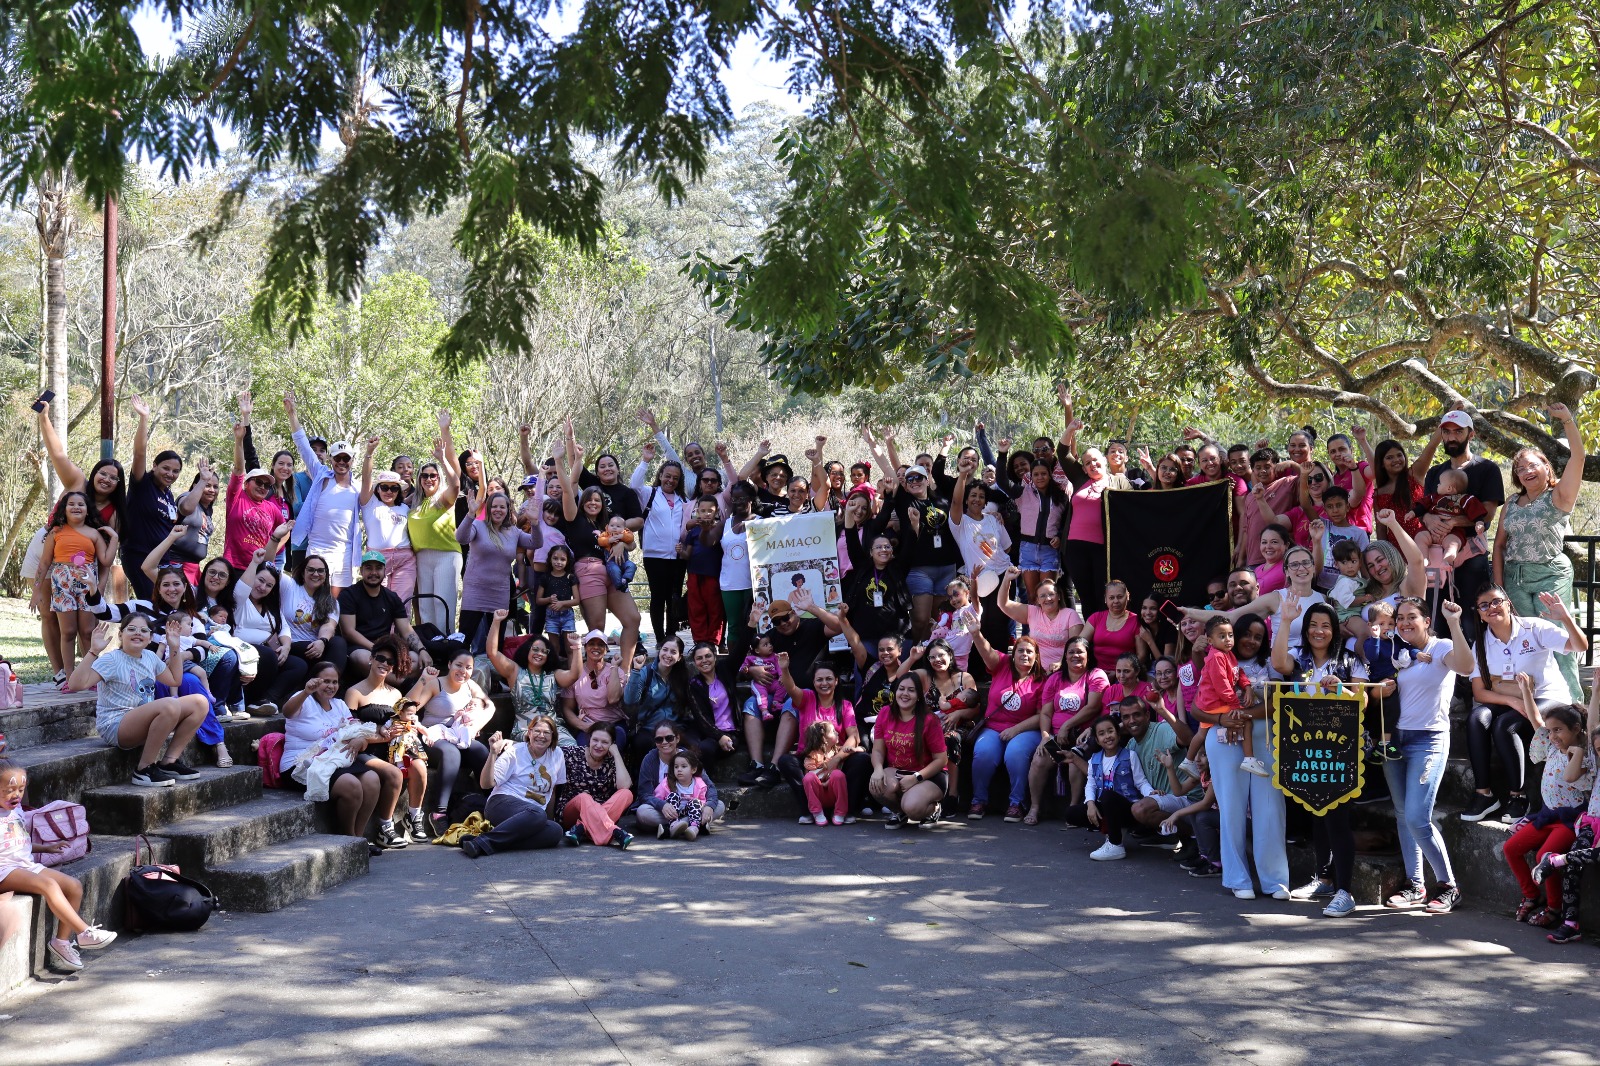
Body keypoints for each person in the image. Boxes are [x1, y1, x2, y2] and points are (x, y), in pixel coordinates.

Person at [1272, 596, 1369, 918]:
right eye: (1313, 625)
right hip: (1305, 747)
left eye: (1325, 625)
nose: (1318, 631)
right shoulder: (1297, 658)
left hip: (1341, 748)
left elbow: (1363, 701)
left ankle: (1346, 891)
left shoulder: (1349, 660)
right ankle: (1323, 878)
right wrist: (1286, 620)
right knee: (1317, 811)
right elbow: (1277, 664)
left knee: (1338, 818)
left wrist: (1339, 688)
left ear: (1335, 630)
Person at [1380, 596, 1474, 914]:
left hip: (1429, 741)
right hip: (1394, 741)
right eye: (1400, 618)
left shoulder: (1442, 646)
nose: (1404, 623)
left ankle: (1449, 886)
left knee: (1419, 817)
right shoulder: (1395, 651)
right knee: (1403, 815)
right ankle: (1415, 884)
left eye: (1411, 617)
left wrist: (1454, 622)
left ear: (1426, 621)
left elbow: (1467, 667)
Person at [1461, 586, 1588, 822]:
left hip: (1548, 696)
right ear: (1478, 613)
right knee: (1477, 719)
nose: (1492, 608)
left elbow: (1580, 646)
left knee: (1505, 725)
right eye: (1484, 605)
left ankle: (1518, 796)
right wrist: (1511, 699)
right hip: (1511, 698)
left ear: (1508, 603)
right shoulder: (1481, 642)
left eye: (1496, 601)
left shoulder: (1534, 627)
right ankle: (1484, 793)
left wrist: (1566, 618)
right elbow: (1479, 692)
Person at [1494, 402, 1586, 701]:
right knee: (1527, 644)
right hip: (1515, 578)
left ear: (1547, 468)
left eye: (1532, 465)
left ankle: (1574, 709)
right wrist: (1499, 587)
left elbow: (1579, 457)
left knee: (1559, 642)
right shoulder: (1511, 502)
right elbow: (1499, 545)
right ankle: (1538, 706)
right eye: (1520, 469)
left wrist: (1567, 421)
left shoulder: (1559, 496)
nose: (1526, 471)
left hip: (1549, 574)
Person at [0, 758, 117, 972]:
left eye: (20, 789)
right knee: (50, 885)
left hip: (24, 864)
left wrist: (46, 848)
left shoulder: (16, 811)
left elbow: (18, 843)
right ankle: (84, 932)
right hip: (4, 870)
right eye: (9, 790)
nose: (16, 795)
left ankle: (61, 943)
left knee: (74, 886)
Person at [68, 614, 211, 788]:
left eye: (144, 630)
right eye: (132, 629)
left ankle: (169, 762)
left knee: (200, 702)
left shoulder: (150, 657)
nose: (138, 633)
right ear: (121, 635)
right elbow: (75, 684)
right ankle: (144, 769)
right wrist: (93, 651)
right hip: (116, 725)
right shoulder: (112, 659)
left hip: (143, 721)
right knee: (170, 704)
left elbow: (175, 680)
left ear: (150, 637)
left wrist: (175, 646)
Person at [281, 662, 405, 853]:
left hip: (334, 760)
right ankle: (348, 840)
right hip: (300, 763)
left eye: (335, 682)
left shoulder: (339, 704)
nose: (331, 686)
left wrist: (360, 739)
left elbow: (356, 730)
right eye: (325, 681)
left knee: (372, 779)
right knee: (351, 785)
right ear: (314, 681)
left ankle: (359, 837)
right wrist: (306, 691)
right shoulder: (302, 700)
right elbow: (287, 712)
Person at [1499, 689, 1590, 930]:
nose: (1552, 735)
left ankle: (1554, 908)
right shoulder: (1551, 748)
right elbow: (1535, 720)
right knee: (1511, 848)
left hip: (1570, 820)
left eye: (1558, 730)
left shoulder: (1583, 755)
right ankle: (1531, 895)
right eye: (1550, 731)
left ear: (1577, 729)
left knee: (1543, 857)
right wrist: (1527, 691)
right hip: (1547, 815)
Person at [555, 418, 642, 668]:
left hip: (611, 571)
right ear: (583, 501)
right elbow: (569, 485)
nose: (593, 503)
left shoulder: (607, 524)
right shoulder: (573, 517)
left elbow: (632, 544)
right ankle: (594, 676)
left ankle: (623, 671)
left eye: (598, 500)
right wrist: (564, 457)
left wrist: (620, 544)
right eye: (589, 499)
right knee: (597, 629)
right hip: (588, 571)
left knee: (633, 619)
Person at [1415, 408, 1505, 610]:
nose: (1451, 437)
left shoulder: (1487, 469)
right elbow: (1426, 507)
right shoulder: (1435, 473)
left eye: (1458, 431)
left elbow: (1489, 513)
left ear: (1471, 434)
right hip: (1437, 554)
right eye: (1446, 432)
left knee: (1472, 617)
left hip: (1471, 554)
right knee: (1435, 616)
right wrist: (1428, 519)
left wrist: (1455, 522)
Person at [774, 654, 871, 823]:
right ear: (813, 682)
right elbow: (791, 688)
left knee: (862, 759)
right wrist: (784, 668)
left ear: (836, 681)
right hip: (809, 757)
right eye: (819, 679)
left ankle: (847, 810)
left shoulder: (845, 705)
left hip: (837, 757)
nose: (824, 683)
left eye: (829, 679)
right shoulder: (807, 698)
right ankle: (808, 810)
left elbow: (854, 737)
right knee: (785, 761)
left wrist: (837, 758)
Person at [121, 395, 200, 600]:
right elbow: (139, 453)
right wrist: (143, 419)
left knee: (165, 606)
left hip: (163, 561)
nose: (170, 474)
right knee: (151, 603)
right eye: (165, 468)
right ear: (155, 466)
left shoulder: (168, 494)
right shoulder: (142, 484)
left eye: (175, 472)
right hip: (139, 557)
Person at [32, 490, 117, 678]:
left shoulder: (94, 533)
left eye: (81, 504)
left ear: (88, 510)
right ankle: (70, 677)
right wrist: (36, 591)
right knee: (68, 631)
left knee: (87, 631)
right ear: (64, 508)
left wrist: (114, 538)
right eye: (71, 504)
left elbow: (105, 560)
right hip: (62, 581)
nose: (76, 507)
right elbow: (45, 563)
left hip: (87, 582)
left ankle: (90, 676)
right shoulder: (56, 532)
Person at [407, 654, 494, 836]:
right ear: (449, 664)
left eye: (468, 667)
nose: (463, 671)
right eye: (459, 665)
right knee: (451, 753)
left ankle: (493, 804)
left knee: (481, 751)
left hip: (459, 734)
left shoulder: (470, 685)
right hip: (433, 736)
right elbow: (408, 706)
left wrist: (475, 726)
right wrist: (424, 679)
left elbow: (490, 706)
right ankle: (439, 813)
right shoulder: (436, 684)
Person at [1025, 635, 1109, 823]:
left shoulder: (1096, 675)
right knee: (1039, 760)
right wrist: (1046, 736)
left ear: (1088, 654)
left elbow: (1093, 707)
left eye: (1080, 651)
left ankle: (1073, 810)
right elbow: (1046, 713)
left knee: (1074, 764)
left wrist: (1066, 726)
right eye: (1071, 652)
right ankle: (1035, 807)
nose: (1075, 655)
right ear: (1065, 656)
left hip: (1082, 736)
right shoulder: (1055, 678)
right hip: (1056, 735)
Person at [285, 393, 361, 591]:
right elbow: (302, 445)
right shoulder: (321, 475)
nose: (342, 462)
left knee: (339, 603)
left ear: (352, 461)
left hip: (345, 552)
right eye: (338, 458)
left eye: (346, 458)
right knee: (313, 598)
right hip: (317, 548)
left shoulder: (358, 487)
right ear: (331, 459)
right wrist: (292, 414)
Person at [967, 632, 1046, 821]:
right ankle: (978, 800)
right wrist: (976, 633)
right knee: (983, 753)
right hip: (993, 727)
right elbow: (986, 651)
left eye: (1029, 651)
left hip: (1026, 729)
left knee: (1015, 753)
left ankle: (1016, 803)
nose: (1024, 654)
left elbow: (1042, 715)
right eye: (1020, 651)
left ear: (1036, 656)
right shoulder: (1001, 665)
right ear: (1013, 654)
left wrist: (1015, 730)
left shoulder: (1042, 681)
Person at [462, 716, 568, 857]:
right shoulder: (515, 752)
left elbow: (552, 791)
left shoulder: (557, 754)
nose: (541, 736)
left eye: (547, 732)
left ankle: (484, 842)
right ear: (529, 733)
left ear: (553, 735)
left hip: (532, 816)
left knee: (555, 831)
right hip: (501, 804)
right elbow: (485, 784)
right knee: (537, 814)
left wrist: (548, 819)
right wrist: (493, 753)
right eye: (537, 731)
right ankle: (482, 842)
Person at [456, 484, 539, 652]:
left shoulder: (513, 532)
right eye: (494, 506)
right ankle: (459, 672)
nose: (498, 510)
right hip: (475, 591)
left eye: (502, 507)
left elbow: (536, 543)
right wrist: (471, 514)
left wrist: (535, 523)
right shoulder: (478, 526)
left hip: (499, 593)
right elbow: (461, 538)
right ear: (488, 508)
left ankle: (496, 675)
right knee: (465, 638)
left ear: (508, 510)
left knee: (497, 643)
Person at [1063, 717, 1158, 861]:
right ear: (1097, 739)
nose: (1107, 736)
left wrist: (1151, 794)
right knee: (1071, 813)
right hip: (1106, 807)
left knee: (1108, 796)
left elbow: (1141, 782)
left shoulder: (1129, 756)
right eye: (1101, 733)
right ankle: (1109, 828)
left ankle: (1115, 845)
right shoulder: (1094, 759)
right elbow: (1091, 784)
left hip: (1127, 809)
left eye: (1110, 731)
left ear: (1118, 734)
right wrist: (1090, 804)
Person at [406, 411, 463, 632]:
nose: (429, 479)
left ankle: (448, 644)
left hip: (446, 555)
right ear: (419, 480)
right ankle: (431, 647)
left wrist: (442, 455)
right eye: (425, 476)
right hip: (422, 556)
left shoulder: (442, 499)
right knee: (426, 606)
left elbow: (456, 485)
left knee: (443, 604)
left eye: (433, 475)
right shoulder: (414, 503)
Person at [234, 550, 311, 713]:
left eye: (269, 585)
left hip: (268, 655)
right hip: (244, 652)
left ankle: (268, 700)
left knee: (298, 665)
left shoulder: (271, 608)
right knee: (268, 656)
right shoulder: (240, 601)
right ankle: (252, 700)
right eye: (260, 580)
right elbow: (242, 588)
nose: (262, 587)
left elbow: (284, 628)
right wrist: (254, 563)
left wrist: (286, 647)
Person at [869, 672, 949, 828]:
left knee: (913, 807)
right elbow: (878, 750)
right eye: (901, 689)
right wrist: (878, 769)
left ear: (919, 695)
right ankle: (900, 812)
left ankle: (933, 809)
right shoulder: (885, 713)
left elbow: (941, 760)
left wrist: (916, 777)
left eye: (911, 690)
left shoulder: (929, 719)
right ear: (895, 692)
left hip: (928, 775)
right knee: (876, 786)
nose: (905, 694)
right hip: (898, 771)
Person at [631, 443, 692, 642]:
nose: (671, 480)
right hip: (654, 555)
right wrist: (645, 461)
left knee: (674, 596)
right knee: (658, 596)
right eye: (667, 476)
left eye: (675, 478)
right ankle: (659, 639)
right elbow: (634, 485)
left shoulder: (683, 499)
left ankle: (671, 635)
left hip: (677, 556)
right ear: (660, 475)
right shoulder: (650, 494)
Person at [484, 615, 570, 746]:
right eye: (535, 649)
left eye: (544, 651)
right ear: (527, 650)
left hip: (552, 728)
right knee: (538, 742)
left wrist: (576, 648)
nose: (539, 653)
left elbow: (574, 675)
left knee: (570, 746)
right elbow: (492, 653)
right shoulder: (515, 671)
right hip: (525, 729)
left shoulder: (552, 675)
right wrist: (496, 621)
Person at [338, 552, 426, 677]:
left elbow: (406, 630)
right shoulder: (348, 595)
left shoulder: (392, 597)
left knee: (416, 659)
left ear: (385, 571)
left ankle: (395, 683)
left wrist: (422, 650)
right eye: (369, 568)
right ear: (361, 571)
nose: (374, 572)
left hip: (387, 648)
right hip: (360, 649)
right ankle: (403, 683)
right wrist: (376, 648)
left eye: (378, 568)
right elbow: (349, 632)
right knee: (365, 660)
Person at [634, 722, 727, 835]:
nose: (664, 742)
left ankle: (672, 828)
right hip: (665, 809)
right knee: (643, 812)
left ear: (677, 738)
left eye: (669, 738)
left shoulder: (688, 757)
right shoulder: (650, 759)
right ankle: (694, 824)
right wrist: (662, 805)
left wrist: (709, 806)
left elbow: (709, 786)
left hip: (692, 806)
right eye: (659, 739)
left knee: (719, 806)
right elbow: (644, 794)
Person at [359, 438, 416, 607]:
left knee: (401, 604)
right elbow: (366, 478)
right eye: (384, 487)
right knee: (377, 605)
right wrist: (369, 453)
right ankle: (380, 635)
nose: (389, 491)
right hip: (377, 558)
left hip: (404, 559)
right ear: (378, 488)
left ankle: (399, 635)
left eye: (394, 488)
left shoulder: (405, 508)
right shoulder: (369, 504)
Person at [555, 729, 634, 848]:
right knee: (584, 797)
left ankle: (581, 828)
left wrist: (616, 754)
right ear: (589, 740)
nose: (598, 745)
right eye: (595, 740)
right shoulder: (572, 753)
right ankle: (613, 831)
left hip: (601, 810)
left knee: (626, 794)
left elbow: (624, 785)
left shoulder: (611, 760)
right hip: (572, 810)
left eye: (605, 742)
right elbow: (550, 754)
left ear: (612, 744)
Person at [994, 567, 1080, 671]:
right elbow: (1003, 604)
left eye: (1051, 594)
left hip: (1062, 671)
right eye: (1042, 596)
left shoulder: (1070, 615)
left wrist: (1061, 664)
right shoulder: (1033, 612)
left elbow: (1075, 648)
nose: (1047, 598)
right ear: (1038, 600)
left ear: (1059, 597)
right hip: (1034, 671)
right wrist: (1007, 579)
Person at [624, 636, 692, 762]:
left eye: (673, 652)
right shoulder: (646, 672)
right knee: (641, 743)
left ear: (680, 657)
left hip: (674, 728)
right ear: (659, 651)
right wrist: (636, 670)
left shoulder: (682, 676)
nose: (668, 655)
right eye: (665, 650)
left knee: (693, 747)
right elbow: (630, 700)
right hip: (650, 728)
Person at [555, 630, 627, 748]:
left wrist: (614, 667)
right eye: (591, 644)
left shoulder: (616, 671)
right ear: (585, 647)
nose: (596, 647)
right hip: (588, 726)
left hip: (614, 724)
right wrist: (584, 726)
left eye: (600, 645)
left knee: (615, 744)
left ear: (606, 649)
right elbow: (567, 709)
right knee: (584, 749)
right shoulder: (576, 673)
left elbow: (613, 698)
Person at [280, 555, 348, 676]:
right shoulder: (289, 586)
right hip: (291, 644)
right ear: (302, 573)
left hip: (316, 647)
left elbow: (329, 626)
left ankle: (330, 683)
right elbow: (268, 565)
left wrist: (322, 641)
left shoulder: (331, 601)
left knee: (338, 642)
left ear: (326, 575)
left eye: (320, 570)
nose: (315, 574)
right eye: (311, 570)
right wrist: (276, 539)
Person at [1411, 468, 1488, 570]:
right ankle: (1424, 558)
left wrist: (1479, 522)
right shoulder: (1434, 497)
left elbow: (1476, 511)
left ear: (1449, 488)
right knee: (1420, 537)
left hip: (1453, 532)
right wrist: (1413, 512)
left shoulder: (1465, 499)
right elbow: (1422, 506)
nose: (1437, 485)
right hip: (1430, 530)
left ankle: (1447, 561)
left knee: (1453, 545)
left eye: (1440, 483)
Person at [680, 497, 725, 645]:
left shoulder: (720, 529)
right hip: (694, 575)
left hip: (713, 576)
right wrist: (681, 551)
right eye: (703, 511)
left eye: (710, 511)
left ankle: (713, 642)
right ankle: (699, 641)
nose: (706, 514)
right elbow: (687, 555)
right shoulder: (693, 532)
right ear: (697, 511)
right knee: (696, 608)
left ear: (716, 511)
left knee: (714, 609)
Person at [653, 749, 714, 840]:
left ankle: (693, 828)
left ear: (693, 769)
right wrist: (664, 806)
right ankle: (674, 825)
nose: (679, 770)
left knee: (697, 802)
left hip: (689, 812)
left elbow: (702, 801)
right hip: (671, 813)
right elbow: (657, 798)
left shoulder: (699, 784)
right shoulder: (667, 783)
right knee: (673, 796)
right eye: (676, 767)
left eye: (683, 766)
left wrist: (702, 808)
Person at [1083, 580, 1140, 674]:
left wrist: (1120, 673)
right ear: (1106, 599)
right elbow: (1079, 643)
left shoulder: (1136, 620)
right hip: (1098, 673)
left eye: (1120, 597)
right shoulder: (1096, 618)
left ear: (1128, 596)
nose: (1116, 601)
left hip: (1126, 675)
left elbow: (1141, 655)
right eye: (1111, 598)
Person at [801, 720, 852, 825]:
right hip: (819, 793)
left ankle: (840, 812)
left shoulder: (837, 751)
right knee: (808, 778)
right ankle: (817, 812)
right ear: (824, 739)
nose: (837, 732)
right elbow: (810, 775)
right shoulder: (812, 755)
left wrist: (854, 748)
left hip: (833, 792)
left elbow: (860, 749)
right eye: (833, 731)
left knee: (838, 775)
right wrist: (824, 779)